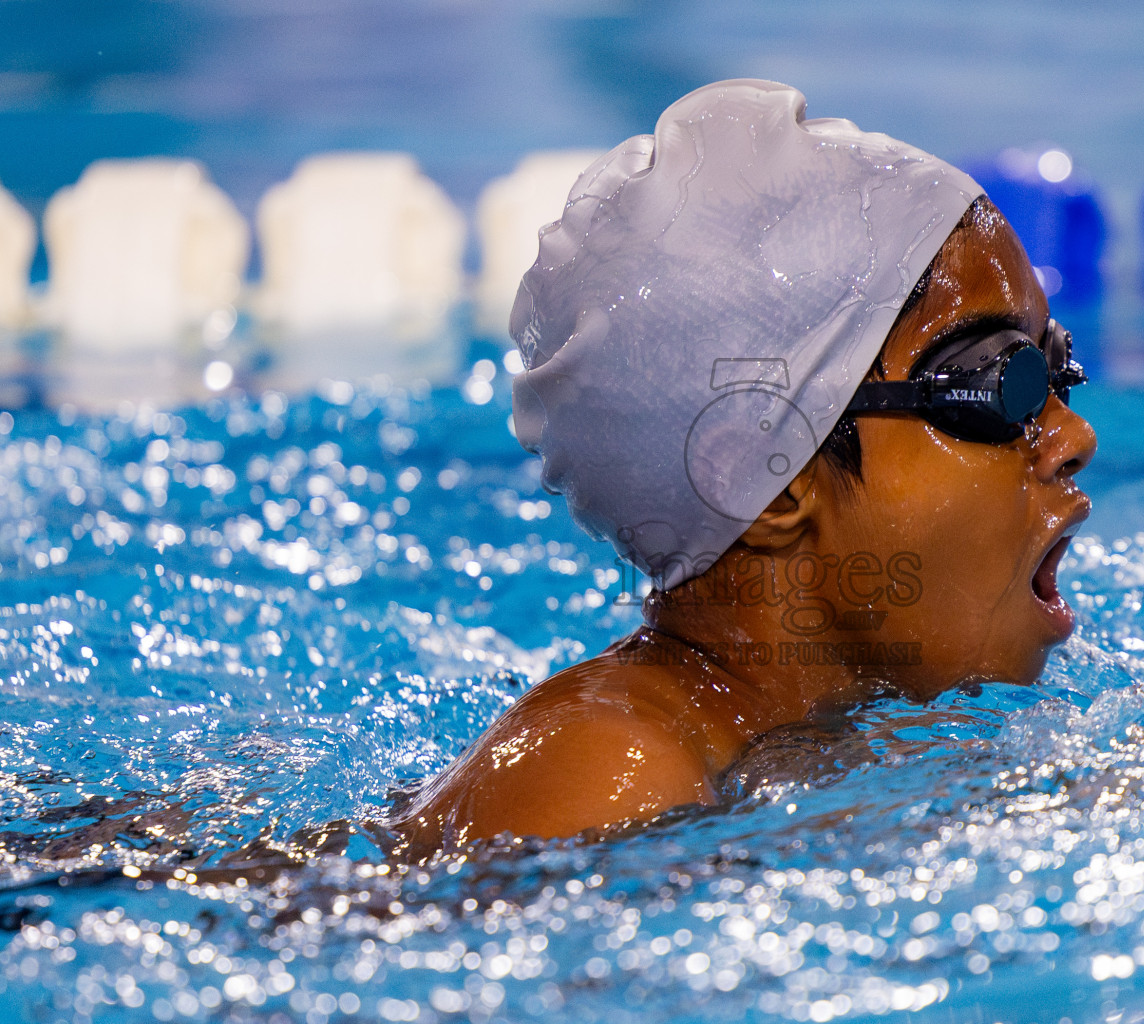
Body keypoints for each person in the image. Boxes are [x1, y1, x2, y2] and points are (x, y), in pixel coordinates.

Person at [392, 80, 1096, 849]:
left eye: (1057, 370)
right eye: (1000, 381)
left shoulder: (799, 737)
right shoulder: (605, 769)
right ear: (765, 477)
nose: (1072, 436)